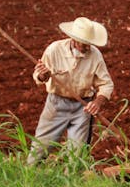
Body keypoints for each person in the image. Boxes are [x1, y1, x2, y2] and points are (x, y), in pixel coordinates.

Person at [27, 16, 114, 165]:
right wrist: (44, 75)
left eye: (89, 44)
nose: (88, 47)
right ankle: (29, 176)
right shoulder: (54, 49)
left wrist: (98, 102)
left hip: (83, 107)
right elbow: (39, 76)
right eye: (84, 43)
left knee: (77, 154)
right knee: (40, 147)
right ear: (73, 39)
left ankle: (71, 183)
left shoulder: (95, 56)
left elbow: (106, 84)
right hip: (56, 104)